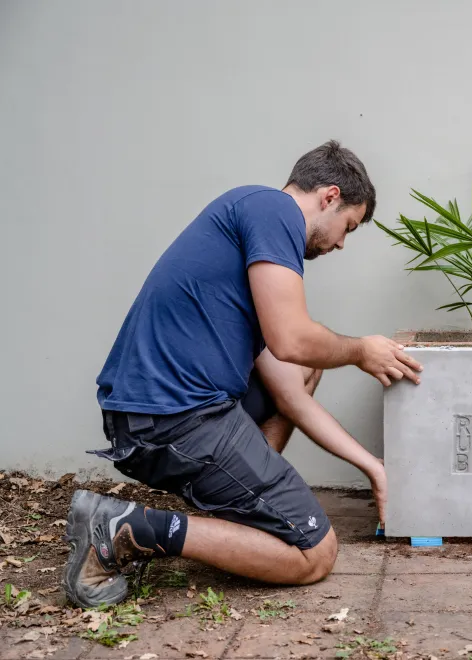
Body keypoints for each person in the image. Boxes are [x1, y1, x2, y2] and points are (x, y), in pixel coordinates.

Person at [63, 140, 423, 609]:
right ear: (330, 196)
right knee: (314, 553)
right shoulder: (273, 209)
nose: (341, 243)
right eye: (348, 227)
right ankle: (125, 528)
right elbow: (291, 339)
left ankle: (246, 508)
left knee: (307, 366)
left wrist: (373, 467)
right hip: (174, 419)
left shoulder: (252, 234)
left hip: (163, 415)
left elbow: (292, 394)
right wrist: (360, 351)